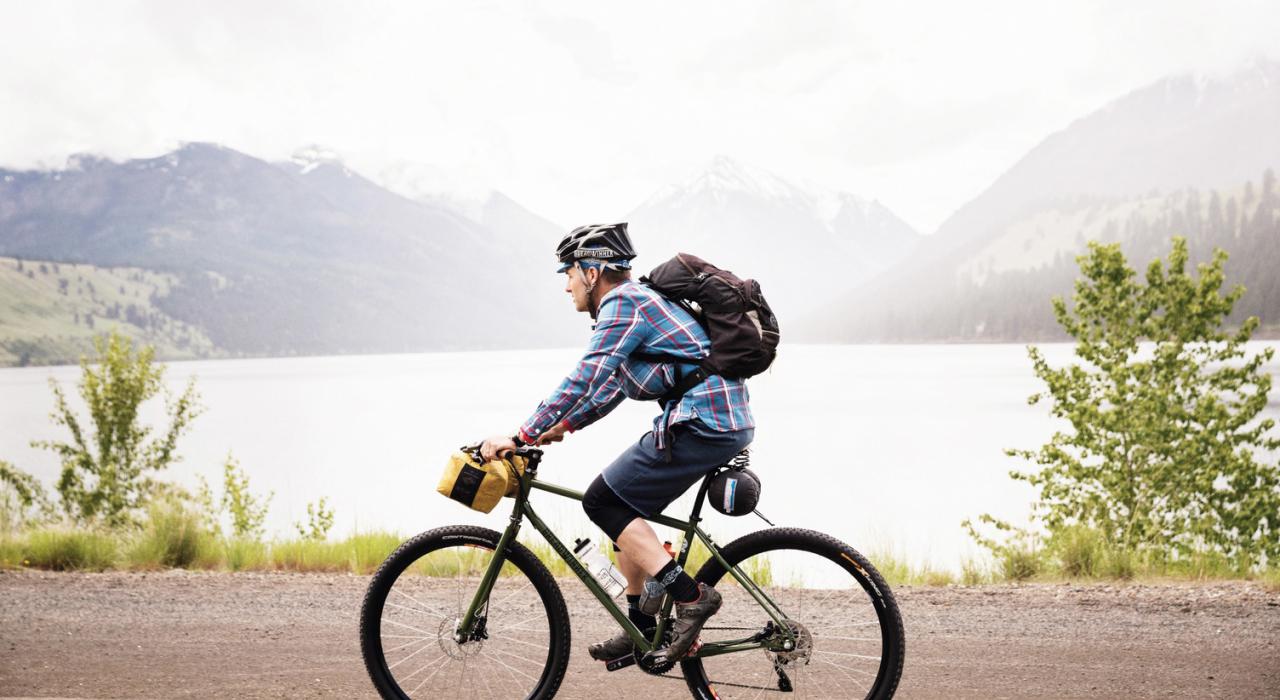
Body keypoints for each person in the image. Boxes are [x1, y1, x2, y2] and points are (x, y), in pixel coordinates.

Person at [480, 222, 754, 664]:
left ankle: (690, 597)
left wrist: (521, 434)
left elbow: (585, 375)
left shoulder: (623, 303)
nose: (566, 286)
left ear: (592, 272)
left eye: (568, 273)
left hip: (704, 422)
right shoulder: (635, 304)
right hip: (715, 420)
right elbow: (609, 388)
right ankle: (640, 624)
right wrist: (564, 426)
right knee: (623, 507)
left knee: (602, 501)